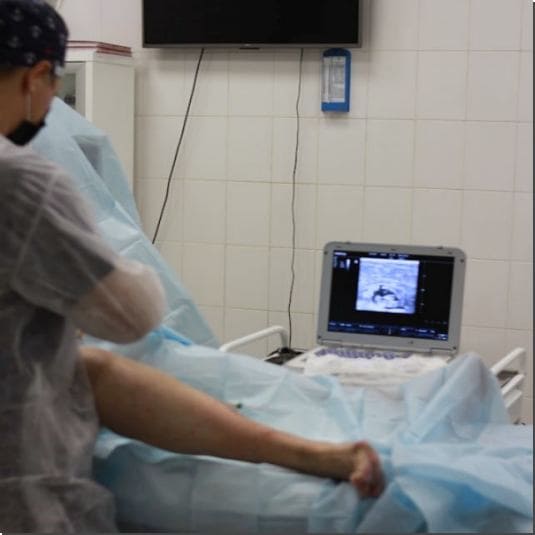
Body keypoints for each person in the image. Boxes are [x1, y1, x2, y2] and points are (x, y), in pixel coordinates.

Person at [0, 1, 383, 531]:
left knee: (88, 367)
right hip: (21, 497)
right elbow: (130, 316)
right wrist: (102, 276)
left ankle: (305, 452)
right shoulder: (21, 181)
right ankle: (305, 453)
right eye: (53, 84)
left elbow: (90, 368)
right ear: (38, 74)